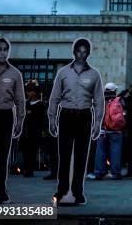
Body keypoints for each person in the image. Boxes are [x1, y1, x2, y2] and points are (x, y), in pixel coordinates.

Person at [48, 38, 104, 205]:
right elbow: (54, 97)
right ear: (74, 52)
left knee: (81, 157)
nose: (81, 54)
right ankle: (62, 190)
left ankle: (78, 192)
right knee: (64, 156)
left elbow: (99, 100)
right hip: (66, 116)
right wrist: (52, 118)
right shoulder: (63, 72)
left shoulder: (94, 74)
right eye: (79, 51)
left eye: (85, 51)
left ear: (88, 53)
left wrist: (97, 123)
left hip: (85, 116)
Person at [0, 37, 25, 203]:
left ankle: (0, 191)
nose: (3, 53)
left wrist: (19, 121)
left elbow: (20, 100)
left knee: (3, 157)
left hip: (6, 117)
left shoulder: (15, 73)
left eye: (5, 49)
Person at [91, 82, 125, 180]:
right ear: (115, 90)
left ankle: (99, 172)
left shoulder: (99, 100)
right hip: (116, 130)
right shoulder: (119, 100)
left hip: (101, 130)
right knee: (115, 152)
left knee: (100, 152)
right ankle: (115, 173)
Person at [20, 80, 45, 177]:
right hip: (25, 132)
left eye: (30, 91)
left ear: (35, 93)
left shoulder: (40, 105)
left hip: (34, 132)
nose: (28, 93)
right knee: (24, 151)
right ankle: (26, 168)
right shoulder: (26, 104)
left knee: (32, 152)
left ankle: (29, 170)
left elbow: (40, 121)